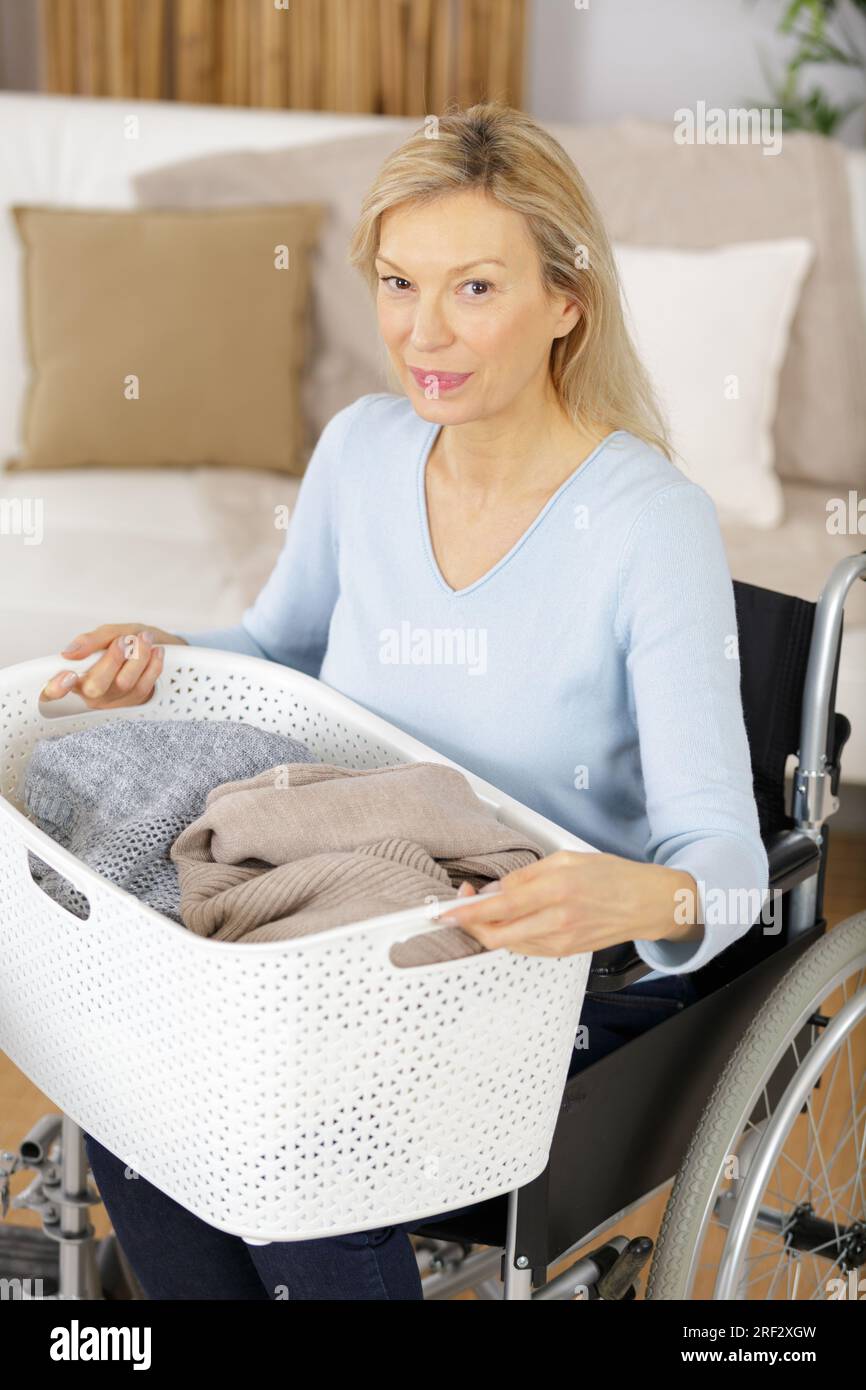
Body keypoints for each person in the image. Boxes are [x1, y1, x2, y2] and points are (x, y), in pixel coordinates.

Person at [40, 102, 768, 1300]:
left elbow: (722, 860)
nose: (423, 333)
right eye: (396, 283)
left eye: (475, 289)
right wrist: (167, 651)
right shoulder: (364, 449)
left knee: (288, 1133)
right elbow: (277, 649)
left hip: (539, 967)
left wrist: (632, 894)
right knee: (128, 1070)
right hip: (346, 914)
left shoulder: (647, 523)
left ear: (564, 302)